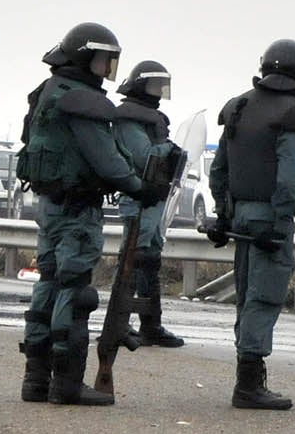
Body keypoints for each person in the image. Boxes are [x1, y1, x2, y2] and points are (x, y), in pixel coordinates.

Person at [17, 24, 169, 407]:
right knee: (75, 290)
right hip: (77, 210)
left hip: (50, 205)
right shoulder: (82, 100)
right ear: (86, 56)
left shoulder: (51, 91)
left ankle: (36, 378)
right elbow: (106, 159)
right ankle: (66, 383)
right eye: (103, 59)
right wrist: (141, 187)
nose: (107, 69)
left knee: (48, 285)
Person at [207, 39, 295, 413]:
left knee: (246, 294)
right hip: (268, 216)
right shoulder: (292, 113)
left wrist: (224, 214)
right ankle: (249, 383)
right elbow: (289, 178)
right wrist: (280, 220)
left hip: (241, 213)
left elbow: (219, 170)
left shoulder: (240, 106)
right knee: (264, 295)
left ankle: (247, 376)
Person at [111, 59, 187, 348]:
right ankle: (120, 323)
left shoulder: (150, 116)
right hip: (138, 197)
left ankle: (150, 325)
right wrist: (170, 149)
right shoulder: (129, 117)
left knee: (149, 261)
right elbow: (144, 157)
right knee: (135, 258)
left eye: (161, 86)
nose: (158, 91)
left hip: (155, 198)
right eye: (154, 85)